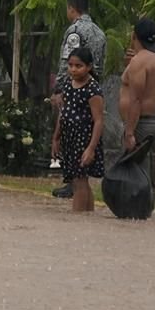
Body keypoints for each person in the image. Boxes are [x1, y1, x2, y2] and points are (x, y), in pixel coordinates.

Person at [50, 0, 106, 199]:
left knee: (71, 135)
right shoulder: (100, 33)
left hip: (76, 90)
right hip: (94, 90)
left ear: (71, 9)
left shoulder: (74, 31)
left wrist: (59, 89)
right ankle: (78, 183)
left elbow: (70, 62)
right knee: (87, 132)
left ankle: (74, 183)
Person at [120, 18, 155, 212]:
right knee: (150, 167)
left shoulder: (139, 62)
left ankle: (138, 209)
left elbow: (136, 100)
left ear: (134, 36)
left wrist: (130, 131)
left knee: (138, 169)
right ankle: (147, 207)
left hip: (142, 122)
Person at [51, 47, 105, 213]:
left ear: (88, 67)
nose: (73, 69)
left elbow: (98, 121)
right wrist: (56, 137)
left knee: (79, 180)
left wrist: (91, 148)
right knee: (79, 180)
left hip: (84, 140)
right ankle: (87, 215)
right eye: (71, 65)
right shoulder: (68, 84)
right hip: (69, 138)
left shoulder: (92, 89)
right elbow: (64, 113)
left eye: (78, 66)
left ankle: (78, 216)